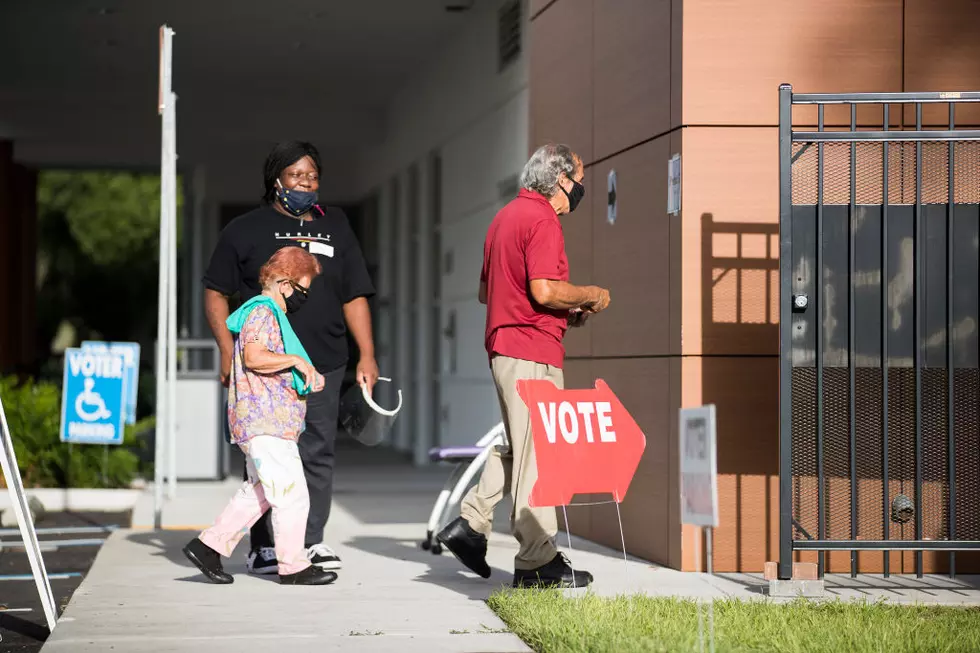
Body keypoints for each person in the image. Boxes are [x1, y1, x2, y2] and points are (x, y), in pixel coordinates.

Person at [437, 143, 611, 588]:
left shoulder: (503, 218)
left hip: (505, 346)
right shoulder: (542, 219)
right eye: (579, 180)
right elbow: (545, 291)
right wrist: (589, 294)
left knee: (521, 446)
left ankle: (471, 525)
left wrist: (560, 311)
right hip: (532, 348)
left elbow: (488, 292)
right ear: (559, 181)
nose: (581, 190)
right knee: (539, 454)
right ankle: (537, 559)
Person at [202, 141, 378, 575]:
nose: (306, 184)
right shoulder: (244, 229)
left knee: (317, 453)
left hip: (325, 362)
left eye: (312, 176)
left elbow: (354, 294)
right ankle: (264, 547)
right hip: (266, 370)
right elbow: (215, 292)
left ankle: (309, 542)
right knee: (268, 458)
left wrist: (367, 355)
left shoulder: (336, 224)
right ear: (276, 181)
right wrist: (228, 351)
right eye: (297, 176)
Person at [183, 246, 336, 585]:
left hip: (262, 420)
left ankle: (208, 547)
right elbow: (254, 356)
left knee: (260, 493)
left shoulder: (264, 313)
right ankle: (294, 567)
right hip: (265, 421)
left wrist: (303, 370)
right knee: (292, 493)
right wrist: (296, 361)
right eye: (303, 289)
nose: (304, 297)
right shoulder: (264, 312)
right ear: (285, 283)